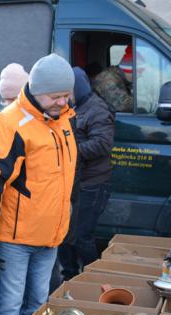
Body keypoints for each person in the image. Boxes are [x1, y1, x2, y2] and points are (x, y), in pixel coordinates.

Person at [0, 54, 77, 315]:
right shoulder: (10, 124)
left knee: (37, 305)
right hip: (15, 240)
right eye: (55, 96)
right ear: (37, 89)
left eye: (66, 95)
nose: (62, 101)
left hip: (50, 237)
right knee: (8, 308)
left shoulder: (65, 120)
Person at [58, 67, 115, 280]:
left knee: (82, 236)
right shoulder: (71, 108)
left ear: (78, 89)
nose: (64, 98)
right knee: (64, 234)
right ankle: (69, 277)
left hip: (92, 183)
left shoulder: (97, 109)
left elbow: (102, 144)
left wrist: (70, 151)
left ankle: (92, 279)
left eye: (67, 93)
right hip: (72, 182)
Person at [92, 44, 134, 113]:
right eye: (138, 73)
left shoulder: (122, 78)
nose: (139, 76)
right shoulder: (108, 80)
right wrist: (148, 105)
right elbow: (125, 105)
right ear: (129, 71)